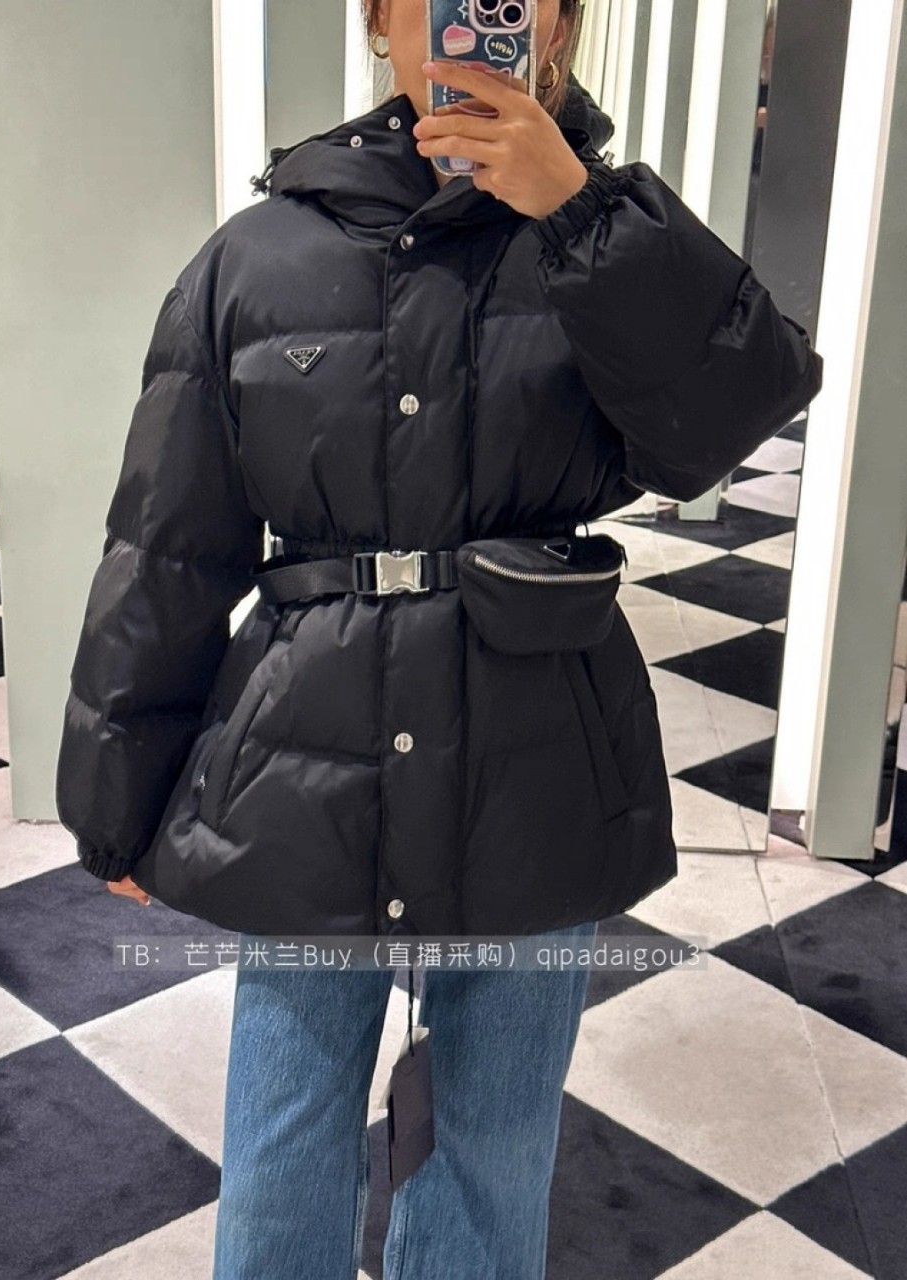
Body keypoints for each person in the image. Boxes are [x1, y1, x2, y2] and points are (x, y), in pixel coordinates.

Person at [54, 0, 824, 1274]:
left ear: (556, 22)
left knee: (493, 1148)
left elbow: (731, 414)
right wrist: (116, 791)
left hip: (536, 755)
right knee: (282, 1140)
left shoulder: (606, 235)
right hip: (304, 760)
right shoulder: (258, 254)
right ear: (378, 17)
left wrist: (577, 212)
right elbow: (170, 542)